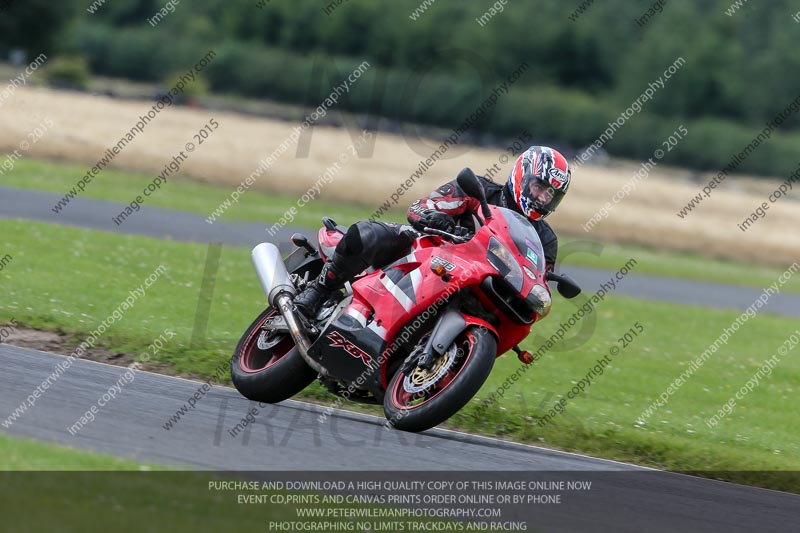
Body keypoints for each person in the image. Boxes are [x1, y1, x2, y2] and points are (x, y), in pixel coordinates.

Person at [293, 146, 571, 319]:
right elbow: (420, 207)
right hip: (430, 253)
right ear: (522, 175)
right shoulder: (481, 190)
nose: (542, 198)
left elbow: (537, 280)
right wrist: (437, 219)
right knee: (369, 235)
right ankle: (318, 291)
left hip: (480, 289)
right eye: (539, 186)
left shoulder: (546, 241)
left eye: (551, 194)